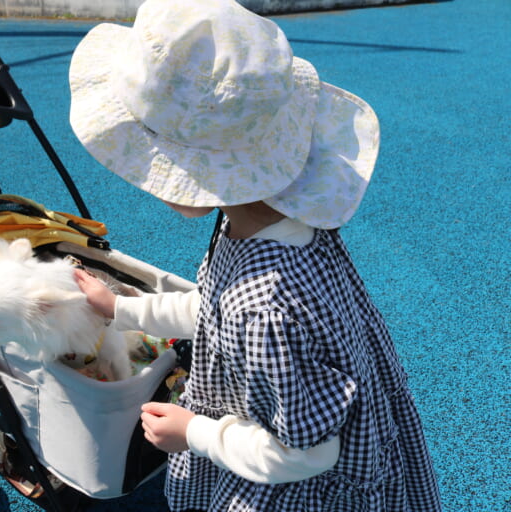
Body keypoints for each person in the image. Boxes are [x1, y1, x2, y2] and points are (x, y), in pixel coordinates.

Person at [69, 0, 442, 510]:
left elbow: (304, 453)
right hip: (329, 423)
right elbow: (214, 306)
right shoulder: (276, 220)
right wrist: (121, 309)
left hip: (296, 483)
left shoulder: (267, 308)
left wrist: (196, 433)